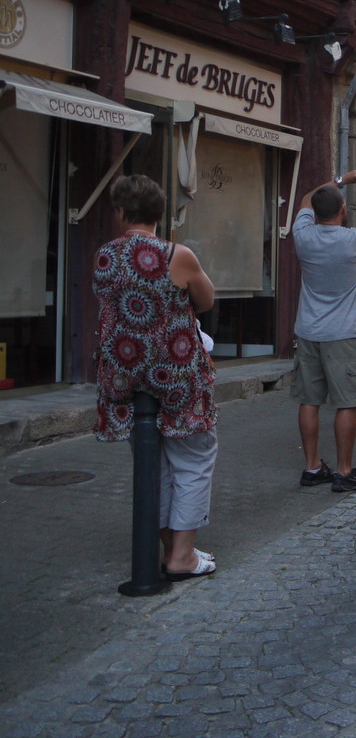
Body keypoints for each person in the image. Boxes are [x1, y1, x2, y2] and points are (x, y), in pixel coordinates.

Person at [93, 174, 219, 580]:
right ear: (159, 213)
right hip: (176, 371)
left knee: (153, 459)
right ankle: (182, 557)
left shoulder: (105, 256)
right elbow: (205, 300)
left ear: (119, 212)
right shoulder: (175, 254)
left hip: (123, 373)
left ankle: (172, 546)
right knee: (194, 457)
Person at [292, 169, 356, 492]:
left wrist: (342, 179)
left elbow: (308, 198)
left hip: (308, 330)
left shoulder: (303, 234)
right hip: (345, 333)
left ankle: (311, 467)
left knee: (309, 400)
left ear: (315, 213)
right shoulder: (353, 239)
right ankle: (345, 471)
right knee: (347, 403)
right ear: (343, 211)